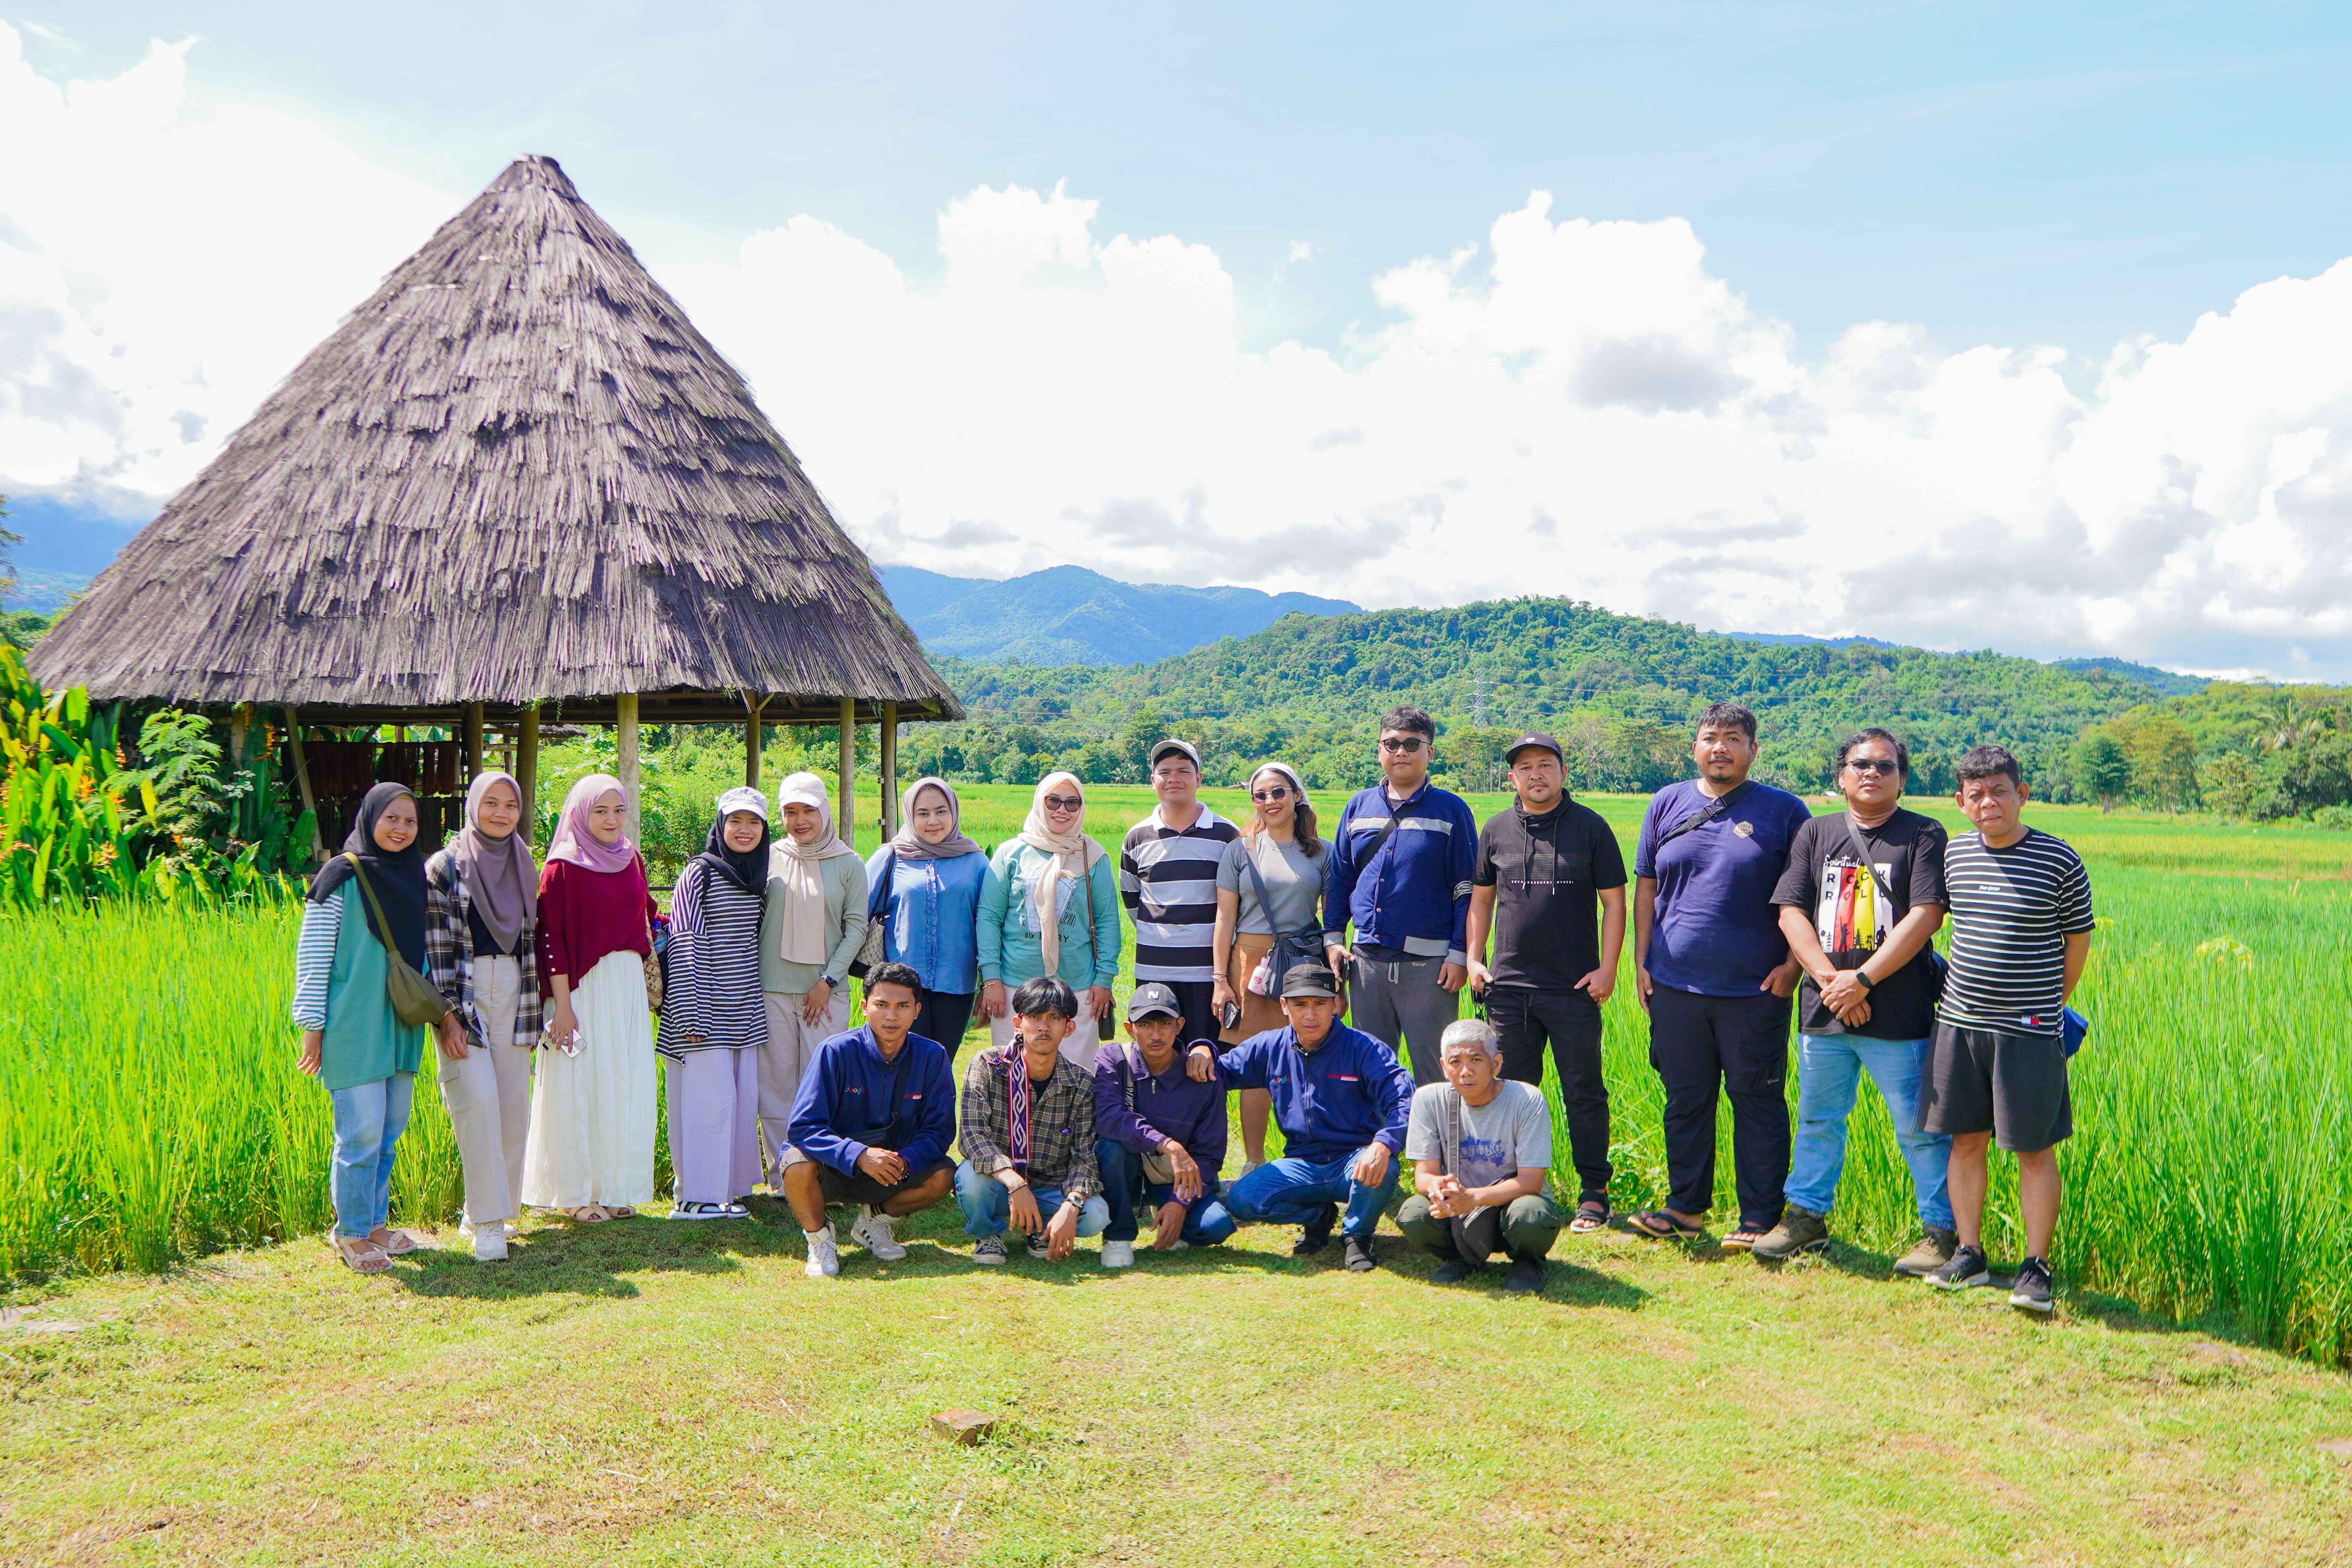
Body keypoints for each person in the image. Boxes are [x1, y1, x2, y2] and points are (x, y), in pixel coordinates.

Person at [1755, 729, 1955, 1273]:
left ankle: (1942, 1232)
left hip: (1900, 1011)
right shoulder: (1814, 833)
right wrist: (1830, 981)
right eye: (1860, 764)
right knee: (1820, 1118)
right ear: (1841, 775)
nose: (1872, 773)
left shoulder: (1923, 833)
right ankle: (1806, 1219)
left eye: (1885, 767)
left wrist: (1861, 981)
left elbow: (1926, 914)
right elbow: (1790, 911)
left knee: (1917, 1126)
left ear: (1902, 779)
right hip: (1824, 1008)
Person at [1628, 702, 1810, 1250]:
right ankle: (1684, 1208)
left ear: (1753, 750)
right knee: (1686, 1099)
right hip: (1675, 984)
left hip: (1755, 988)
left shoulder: (1785, 811)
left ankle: (1759, 1218)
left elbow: (1808, 897)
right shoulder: (1666, 803)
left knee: (1756, 1101)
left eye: (1733, 739)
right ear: (1695, 748)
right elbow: (1646, 887)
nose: (1720, 748)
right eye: (1710, 737)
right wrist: (1640, 962)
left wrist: (1794, 967)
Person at [1921, 744, 2095, 1315]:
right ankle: (1970, 1255)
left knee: (2033, 1148)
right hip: (1959, 1023)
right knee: (1965, 1140)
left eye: (1999, 790)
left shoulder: (2059, 860)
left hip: (2029, 1030)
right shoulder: (1954, 856)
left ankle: (2036, 1267)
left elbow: (2077, 944)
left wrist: (2046, 1005)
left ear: (2022, 794)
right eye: (1976, 794)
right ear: (1961, 802)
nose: (1988, 802)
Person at [1465, 732, 1626, 1234]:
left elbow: (1615, 904)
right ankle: (1517, 1188)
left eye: (1546, 765)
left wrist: (1607, 968)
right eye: (1525, 767)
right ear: (1512, 777)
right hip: (1509, 988)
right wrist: (1474, 958)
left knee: (1585, 1091)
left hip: (1574, 988)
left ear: (1563, 772)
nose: (1536, 774)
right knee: (1513, 1092)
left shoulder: (1591, 828)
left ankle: (1595, 1192)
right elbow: (1482, 901)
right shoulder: (1495, 830)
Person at [293, 782, 434, 1273]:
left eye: (410, 821)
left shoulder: (416, 877)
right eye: (391, 818)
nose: (400, 828)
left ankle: (375, 1223)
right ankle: (350, 1232)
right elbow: (313, 955)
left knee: (390, 1129)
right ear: (370, 818)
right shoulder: (339, 876)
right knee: (360, 1134)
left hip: (400, 1021)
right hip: (352, 1024)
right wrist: (313, 1025)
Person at [1197, 964, 1414, 1273]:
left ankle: (1357, 1236)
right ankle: (1317, 1217)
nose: (1310, 1015)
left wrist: (1384, 1144)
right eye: (1300, 1005)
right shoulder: (1270, 1046)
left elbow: (1404, 1099)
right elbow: (1218, 1072)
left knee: (1385, 1166)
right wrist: (1202, 1049)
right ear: (1284, 1006)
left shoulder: (1364, 1049)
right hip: (1301, 1163)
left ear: (1336, 1004)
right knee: (1243, 1200)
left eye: (1320, 1004)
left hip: (1353, 1160)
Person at [524, 773, 660, 1222]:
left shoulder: (631, 858)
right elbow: (551, 938)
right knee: (577, 1087)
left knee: (620, 1083)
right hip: (580, 989)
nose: (611, 819)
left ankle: (612, 1186)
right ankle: (575, 1195)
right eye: (600, 810)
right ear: (581, 812)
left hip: (625, 986)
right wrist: (562, 1006)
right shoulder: (562, 865)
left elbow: (649, 914)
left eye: (618, 810)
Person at [1322, 706, 1478, 1085]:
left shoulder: (1451, 810)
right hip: (1366, 966)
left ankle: (1438, 1147)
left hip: (1430, 970)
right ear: (1380, 751)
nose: (1401, 752)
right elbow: (1340, 879)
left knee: (1437, 1077)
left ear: (1430, 753)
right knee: (1370, 1074)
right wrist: (1332, 939)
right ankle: (1377, 1147)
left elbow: (1467, 889)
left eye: (1412, 744)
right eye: (1391, 744)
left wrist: (1459, 954)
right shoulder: (1358, 807)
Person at [423, 770, 543, 1261]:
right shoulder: (444, 866)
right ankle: (489, 1226)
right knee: (477, 1104)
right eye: (490, 803)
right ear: (473, 805)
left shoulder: (523, 861)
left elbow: (536, 938)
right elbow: (436, 950)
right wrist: (447, 1014)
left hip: (517, 991)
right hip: (465, 994)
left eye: (510, 805)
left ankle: (489, 1209)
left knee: (514, 1111)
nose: (500, 813)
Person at [783, 961, 957, 1277]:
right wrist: (859, 1155)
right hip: (836, 1168)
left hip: (894, 1169)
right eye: (882, 1005)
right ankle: (820, 1240)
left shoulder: (933, 1056)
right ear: (864, 1007)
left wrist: (906, 1160)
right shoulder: (835, 1051)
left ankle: (876, 1222)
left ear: (917, 1010)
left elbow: (940, 1130)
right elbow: (803, 1127)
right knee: (795, 1164)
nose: (892, 1016)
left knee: (944, 1175)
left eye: (903, 1006)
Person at [1211, 761, 1330, 1173]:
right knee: (1258, 1064)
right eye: (1260, 795)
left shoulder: (1322, 851)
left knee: (1308, 1061)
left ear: (1297, 795)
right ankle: (1255, 1161)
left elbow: (1332, 923)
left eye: (1278, 792)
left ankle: (1309, 1157)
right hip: (1252, 966)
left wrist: (1338, 981)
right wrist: (1219, 980)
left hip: (1304, 963)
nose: (1269, 801)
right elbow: (1225, 919)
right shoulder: (1239, 849)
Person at [657, 788, 770, 1220]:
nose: (744, 830)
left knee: (740, 1104)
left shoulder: (758, 878)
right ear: (720, 825)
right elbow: (685, 943)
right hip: (701, 1006)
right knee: (709, 1101)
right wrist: (691, 1012)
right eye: (735, 821)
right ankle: (695, 1197)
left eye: (754, 822)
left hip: (743, 1008)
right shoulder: (699, 874)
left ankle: (727, 1189)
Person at [758, 771, 867, 1191]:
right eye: (790, 811)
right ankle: (782, 1176)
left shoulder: (848, 862)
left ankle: (823, 1172)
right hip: (772, 987)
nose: (800, 820)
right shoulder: (767, 857)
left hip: (827, 991)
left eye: (808, 810)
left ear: (824, 810)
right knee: (776, 1085)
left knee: (824, 1084)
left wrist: (827, 979)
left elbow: (856, 928)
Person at [1397, 1019, 1563, 1292]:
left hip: (1512, 1207)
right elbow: (1423, 1176)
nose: (1466, 1072)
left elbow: (1532, 1182)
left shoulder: (1527, 1099)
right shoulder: (1428, 1100)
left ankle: (1528, 1263)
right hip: (1459, 1210)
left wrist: (1472, 1199)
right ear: (1443, 1067)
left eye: (1476, 1060)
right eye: (1456, 1062)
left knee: (1530, 1213)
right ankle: (1460, 1257)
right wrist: (1437, 1187)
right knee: (1414, 1213)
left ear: (1496, 1065)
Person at [954, 976, 1111, 1264]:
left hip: (1049, 1187)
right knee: (970, 1180)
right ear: (1018, 1024)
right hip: (999, 1183)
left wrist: (1072, 1205)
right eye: (1035, 1017)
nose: (1043, 1027)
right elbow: (972, 1136)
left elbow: (1085, 1158)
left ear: (1069, 1027)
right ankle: (989, 1234)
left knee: (1096, 1215)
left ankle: (1039, 1229)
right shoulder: (987, 1066)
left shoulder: (1082, 1083)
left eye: (1054, 1018)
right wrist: (1015, 1184)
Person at [976, 773, 1121, 1069]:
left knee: (1078, 1075)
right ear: (1040, 802)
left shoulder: (1093, 857)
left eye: (1072, 803)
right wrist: (991, 979)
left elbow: (1107, 921)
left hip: (1078, 986)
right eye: (1053, 801)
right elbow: (989, 917)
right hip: (1014, 984)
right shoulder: (1010, 853)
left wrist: (1104, 979)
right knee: (1014, 1075)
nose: (1062, 810)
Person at [1093, 983, 1235, 1269]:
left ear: (1180, 1026)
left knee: (1215, 1226)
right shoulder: (1113, 1059)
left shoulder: (1202, 1074)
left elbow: (1209, 1155)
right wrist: (1168, 1145)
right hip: (1125, 1173)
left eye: (1165, 1024)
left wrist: (1178, 1203)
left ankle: (1169, 1216)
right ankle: (1118, 1236)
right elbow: (1109, 1117)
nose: (1156, 1035)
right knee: (1110, 1148)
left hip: (1174, 1179)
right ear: (1130, 1028)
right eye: (1145, 1024)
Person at [1119, 738, 1240, 1047]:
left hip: (1208, 975)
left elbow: (1237, 906)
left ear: (1198, 779)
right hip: (1154, 972)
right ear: (1153, 781)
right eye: (1165, 772)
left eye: (1183, 771)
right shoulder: (1137, 838)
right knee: (1158, 1060)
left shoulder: (1227, 835)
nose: (1173, 778)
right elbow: (1133, 901)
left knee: (1208, 1059)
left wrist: (1221, 973)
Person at [864, 776, 988, 1059]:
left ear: (954, 813)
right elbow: (857, 913)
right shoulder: (891, 856)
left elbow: (989, 924)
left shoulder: (975, 860)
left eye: (941, 811)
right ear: (910, 815)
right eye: (923, 813)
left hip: (956, 986)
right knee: (900, 1063)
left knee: (941, 1063)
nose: (933, 821)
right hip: (900, 989)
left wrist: (989, 982)